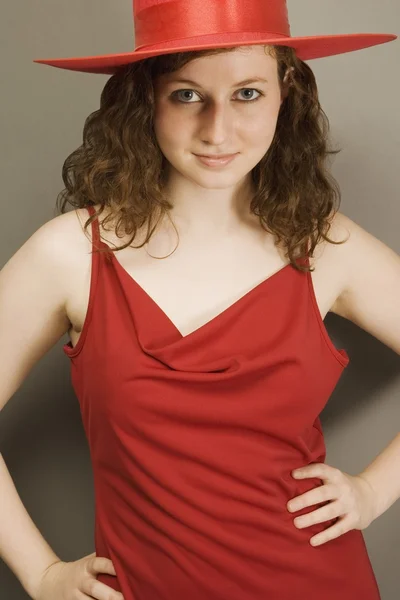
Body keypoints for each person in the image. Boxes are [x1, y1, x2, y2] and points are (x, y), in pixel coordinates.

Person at [1, 1, 399, 599]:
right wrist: (41, 573)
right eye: (187, 95)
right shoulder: (69, 256)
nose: (218, 131)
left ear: (286, 93)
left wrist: (372, 491)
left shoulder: (327, 247)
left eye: (247, 94)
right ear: (146, 100)